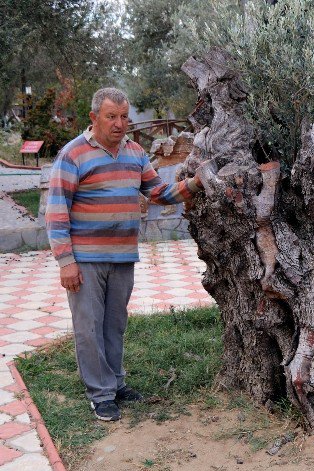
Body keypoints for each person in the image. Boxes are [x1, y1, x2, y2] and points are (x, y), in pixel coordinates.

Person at [45, 87, 203, 422]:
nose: (120, 124)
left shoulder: (134, 152)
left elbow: (157, 192)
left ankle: (115, 384)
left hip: (122, 257)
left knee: (114, 325)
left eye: (124, 117)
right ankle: (100, 395)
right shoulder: (73, 155)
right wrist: (65, 262)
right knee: (89, 328)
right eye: (111, 117)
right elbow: (56, 212)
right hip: (85, 259)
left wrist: (193, 185)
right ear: (94, 118)